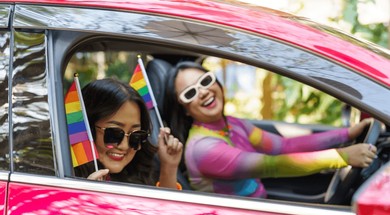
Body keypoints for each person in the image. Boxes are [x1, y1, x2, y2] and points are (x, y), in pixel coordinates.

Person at [163, 61, 377, 197]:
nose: (202, 92)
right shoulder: (204, 149)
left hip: (260, 214)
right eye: (190, 93)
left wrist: (347, 134)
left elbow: (283, 145)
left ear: (217, 83)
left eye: (206, 81)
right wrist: (342, 157)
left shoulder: (232, 124)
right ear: (186, 110)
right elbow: (271, 165)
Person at [74, 78, 183, 190]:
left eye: (135, 136)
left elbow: (165, 207)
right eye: (114, 133)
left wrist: (169, 167)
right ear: (87, 129)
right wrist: (84, 197)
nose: (124, 146)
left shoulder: (143, 174)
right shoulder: (62, 178)